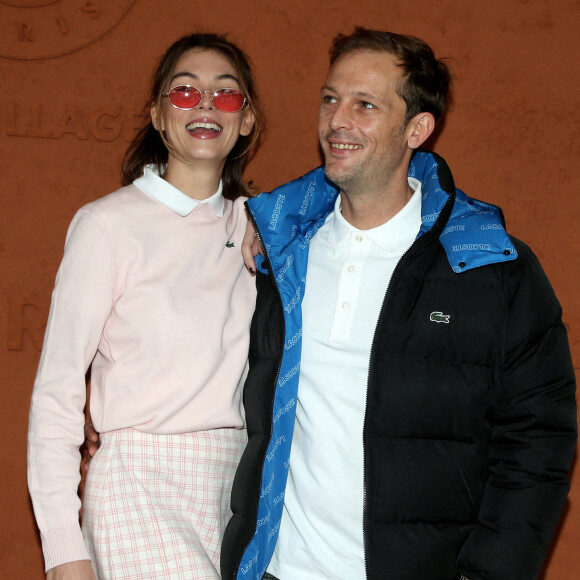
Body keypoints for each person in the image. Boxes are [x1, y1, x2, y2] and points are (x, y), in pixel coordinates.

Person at [220, 28, 577, 580]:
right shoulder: (282, 249)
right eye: (330, 99)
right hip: (278, 569)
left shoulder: (490, 266)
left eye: (366, 105)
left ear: (418, 128)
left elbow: (538, 444)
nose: (338, 121)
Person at [27, 32, 264, 580]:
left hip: (237, 491)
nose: (206, 105)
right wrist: (64, 547)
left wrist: (268, 220)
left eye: (227, 95)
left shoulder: (262, 224)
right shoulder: (107, 225)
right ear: (158, 115)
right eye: (185, 92)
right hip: (138, 484)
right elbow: (57, 389)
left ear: (246, 120)